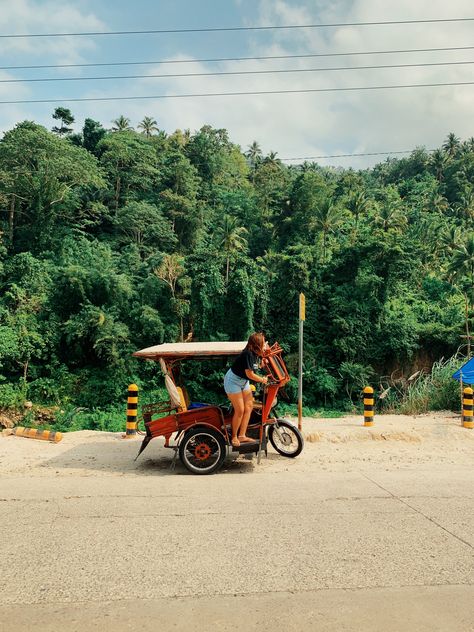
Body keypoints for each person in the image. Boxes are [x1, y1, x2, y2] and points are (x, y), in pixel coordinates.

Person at [224, 332, 268, 447]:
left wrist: (261, 365)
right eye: (263, 343)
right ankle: (234, 437)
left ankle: (242, 435)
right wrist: (262, 380)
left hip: (243, 382)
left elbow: (253, 367)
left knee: (249, 406)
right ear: (257, 344)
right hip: (233, 381)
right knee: (240, 410)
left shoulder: (255, 353)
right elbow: (250, 374)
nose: (265, 345)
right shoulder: (248, 354)